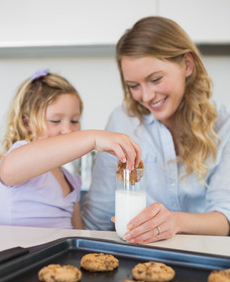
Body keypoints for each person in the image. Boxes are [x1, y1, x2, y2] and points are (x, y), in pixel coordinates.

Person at [82, 16, 230, 243]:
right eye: (134, 86)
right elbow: (96, 218)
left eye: (156, 79)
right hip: (139, 257)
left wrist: (176, 222)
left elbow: (224, 219)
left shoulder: (224, 125)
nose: (147, 96)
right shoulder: (122, 121)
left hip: (206, 255)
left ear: (187, 65)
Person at [0, 69, 141, 229]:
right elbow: (8, 171)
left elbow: (78, 236)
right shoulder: (21, 155)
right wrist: (92, 137)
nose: (67, 130)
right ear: (26, 123)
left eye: (74, 120)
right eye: (56, 121)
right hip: (19, 254)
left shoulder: (71, 181)